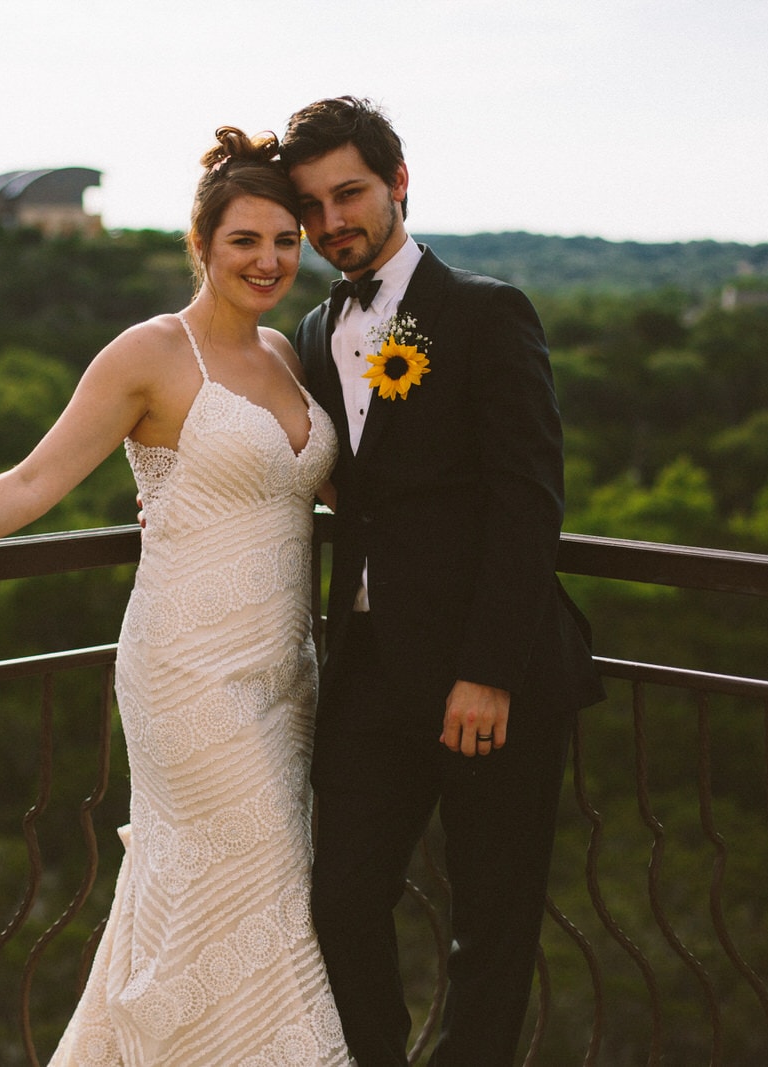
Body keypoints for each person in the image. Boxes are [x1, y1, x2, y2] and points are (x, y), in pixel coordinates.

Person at [0, 128, 348, 1066]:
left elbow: (334, 488)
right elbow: (28, 482)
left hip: (286, 669)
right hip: (189, 672)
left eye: (287, 240)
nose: (269, 261)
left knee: (234, 897)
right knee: (258, 889)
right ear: (202, 244)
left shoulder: (288, 358)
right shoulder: (147, 353)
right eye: (245, 240)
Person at [281, 96, 606, 1067]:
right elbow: (326, 476)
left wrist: (488, 668)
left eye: (349, 193)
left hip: (485, 671)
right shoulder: (310, 330)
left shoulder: (484, 312)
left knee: (490, 923)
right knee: (339, 897)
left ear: (398, 183)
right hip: (372, 668)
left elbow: (526, 500)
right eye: (312, 206)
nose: (332, 220)